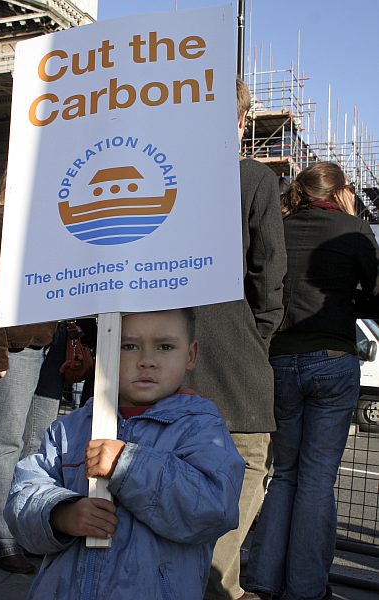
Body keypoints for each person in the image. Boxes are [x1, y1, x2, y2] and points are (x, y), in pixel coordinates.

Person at [4, 309, 245, 600]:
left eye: (165, 346)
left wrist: (129, 465)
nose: (146, 360)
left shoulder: (202, 429)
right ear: (105, 349)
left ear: (191, 355)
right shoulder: (71, 428)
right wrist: (60, 513)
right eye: (128, 346)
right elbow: (22, 494)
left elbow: (213, 508)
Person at [245, 162, 379, 600]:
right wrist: (347, 300)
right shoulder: (353, 230)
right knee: (318, 478)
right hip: (333, 356)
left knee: (283, 474)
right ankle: (305, 588)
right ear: (340, 192)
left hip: (281, 359)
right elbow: (376, 295)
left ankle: (264, 578)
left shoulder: (279, 226)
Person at [187, 78, 287, 600]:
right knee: (246, 462)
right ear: (242, 122)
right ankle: (216, 581)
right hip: (234, 359)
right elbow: (269, 276)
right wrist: (257, 335)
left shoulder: (156, 176)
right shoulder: (253, 179)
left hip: (164, 359)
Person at [0, 173, 63, 574]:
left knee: (37, 445)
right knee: (5, 442)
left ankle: (25, 532)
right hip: (16, 350)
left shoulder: (51, 224)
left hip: (49, 346)